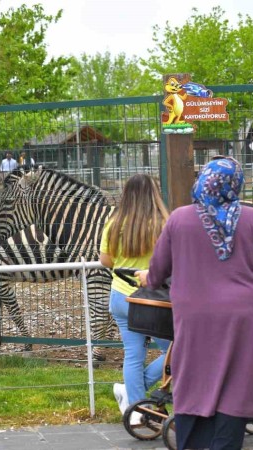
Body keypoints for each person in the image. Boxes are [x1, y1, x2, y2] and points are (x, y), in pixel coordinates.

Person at [138, 156, 253, 450]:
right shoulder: (252, 219)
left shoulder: (180, 219)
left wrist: (146, 276)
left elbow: (158, 272)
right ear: (236, 184)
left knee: (194, 378)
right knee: (237, 383)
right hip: (245, 318)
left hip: (195, 317)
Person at [99, 174, 170, 422]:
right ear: (155, 193)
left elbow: (106, 260)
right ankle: (136, 399)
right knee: (176, 351)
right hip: (154, 299)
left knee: (133, 354)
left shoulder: (114, 223)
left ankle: (137, 411)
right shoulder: (164, 223)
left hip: (120, 296)